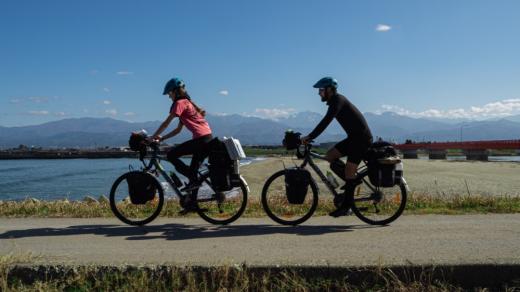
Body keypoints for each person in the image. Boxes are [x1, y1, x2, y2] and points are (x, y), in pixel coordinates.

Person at [301, 77, 373, 217]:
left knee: (349, 171)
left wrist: (310, 136)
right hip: (353, 139)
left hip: (361, 140)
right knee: (330, 156)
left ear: (329, 89)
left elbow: (326, 121)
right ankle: (351, 182)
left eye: (321, 90)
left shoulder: (338, 101)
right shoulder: (335, 101)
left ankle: (347, 205)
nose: (319, 93)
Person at [151, 77, 213, 213]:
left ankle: (192, 179)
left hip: (201, 140)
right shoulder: (187, 104)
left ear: (175, 92)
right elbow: (177, 130)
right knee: (193, 175)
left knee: (171, 155)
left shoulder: (179, 103)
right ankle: (192, 204)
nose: (169, 97)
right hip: (207, 139)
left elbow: (166, 123)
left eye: (169, 94)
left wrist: (152, 136)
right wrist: (162, 138)